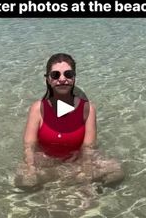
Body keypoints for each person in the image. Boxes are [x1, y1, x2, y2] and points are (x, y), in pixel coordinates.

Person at [15, 53, 123, 189]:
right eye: (55, 75)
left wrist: (86, 174)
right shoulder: (37, 108)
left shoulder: (88, 108)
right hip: (47, 161)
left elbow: (88, 148)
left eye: (68, 74)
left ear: (74, 78)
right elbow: (28, 146)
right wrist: (30, 168)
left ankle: (63, 182)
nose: (62, 79)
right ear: (48, 79)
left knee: (116, 170)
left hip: (75, 162)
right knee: (24, 180)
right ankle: (66, 182)